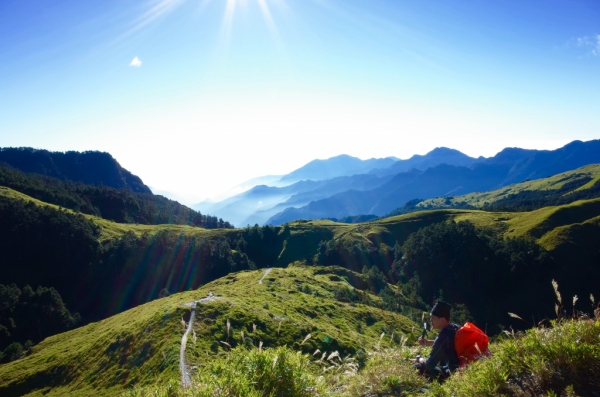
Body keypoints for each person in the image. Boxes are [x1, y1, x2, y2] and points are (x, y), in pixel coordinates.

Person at [413, 300, 460, 380]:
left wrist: (420, 359)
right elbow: (447, 344)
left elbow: (429, 365)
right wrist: (428, 342)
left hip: (453, 374)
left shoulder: (442, 337)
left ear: (442, 320)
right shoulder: (455, 328)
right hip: (463, 368)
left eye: (433, 318)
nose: (430, 320)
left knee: (417, 367)